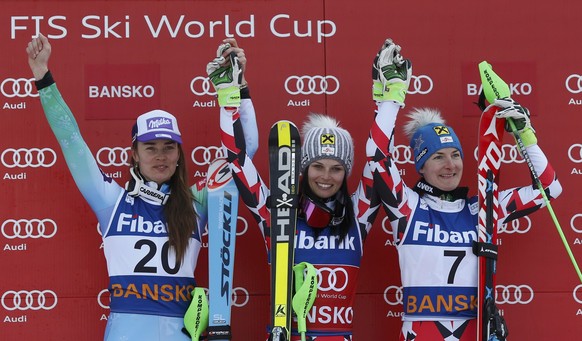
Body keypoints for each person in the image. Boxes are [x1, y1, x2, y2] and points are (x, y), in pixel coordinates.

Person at [369, 40, 563, 340]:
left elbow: (550, 188)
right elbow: (378, 155)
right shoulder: (406, 206)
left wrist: (524, 135)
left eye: (455, 155)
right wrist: (392, 97)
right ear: (420, 165)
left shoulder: (485, 208)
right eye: (437, 157)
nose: (450, 165)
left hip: (476, 332)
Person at [206, 38, 393, 340]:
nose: (326, 177)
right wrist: (230, 96)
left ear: (346, 173)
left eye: (337, 168)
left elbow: (379, 157)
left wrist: (388, 97)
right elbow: (237, 161)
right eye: (318, 166)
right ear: (303, 168)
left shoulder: (358, 216)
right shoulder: (276, 213)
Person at [26, 33, 210, 341]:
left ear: (180, 154)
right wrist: (44, 78)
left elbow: (242, 155)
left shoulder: (198, 203)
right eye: (150, 148)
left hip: (181, 332)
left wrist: (235, 90)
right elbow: (72, 144)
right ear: (135, 154)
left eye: (169, 147)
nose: (161, 156)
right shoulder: (112, 201)